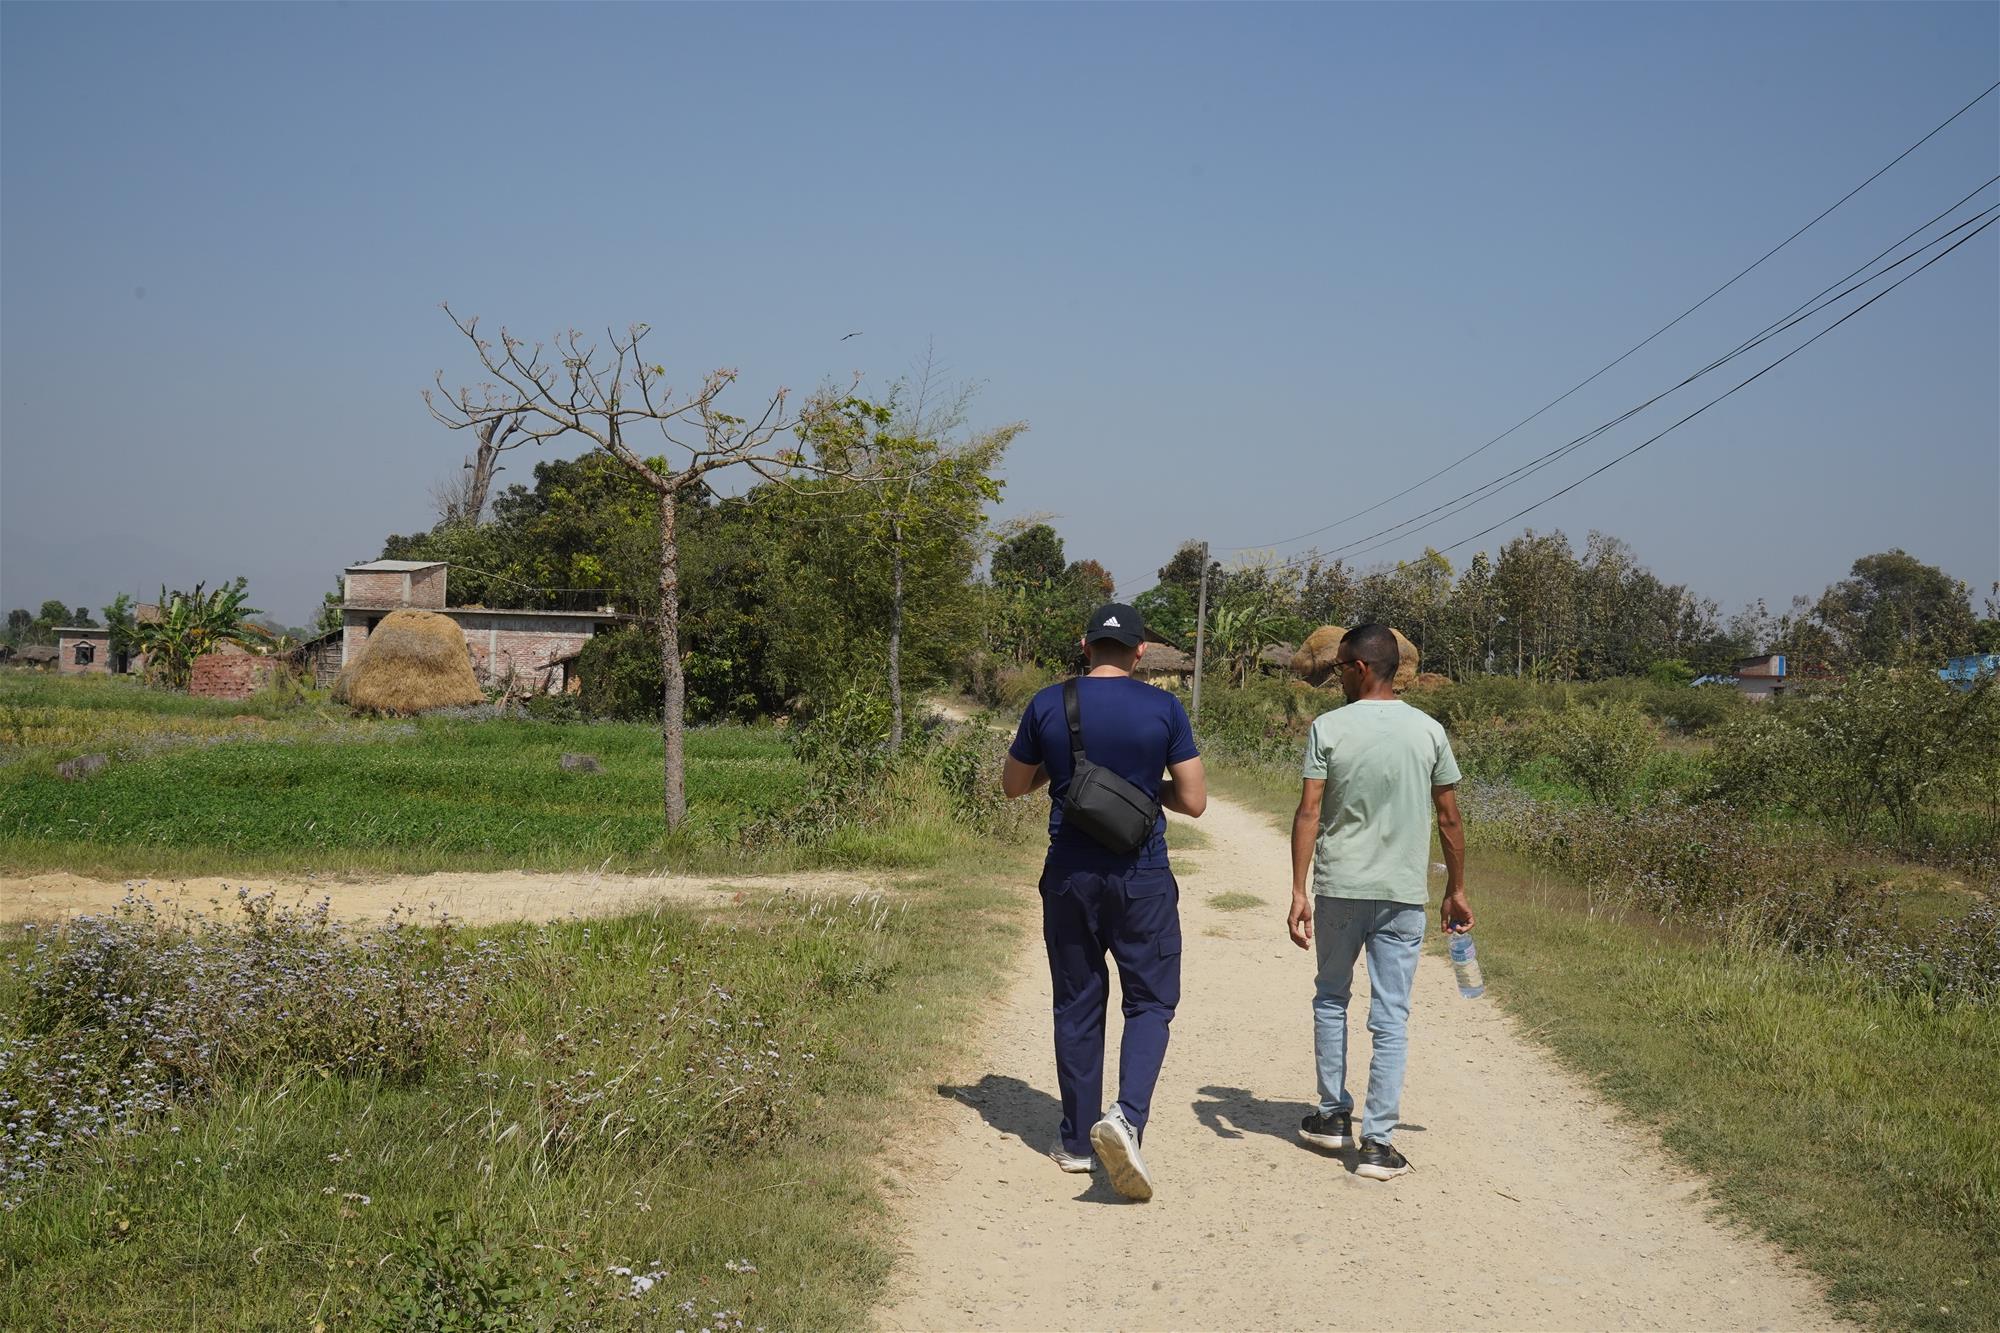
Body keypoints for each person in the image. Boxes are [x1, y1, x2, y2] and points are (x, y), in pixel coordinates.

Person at [1002, 603, 1207, 1201]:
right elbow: (1194, 801)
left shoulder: (1049, 702)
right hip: (1141, 877)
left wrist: (1068, 779)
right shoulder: (1164, 708)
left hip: (1069, 876)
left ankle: (1073, 1141)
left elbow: (1014, 785)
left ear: (1085, 646)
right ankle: (1126, 1120)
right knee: (1148, 1002)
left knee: (1077, 1003)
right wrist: (1141, 790)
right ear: (1141, 651)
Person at [1286, 623, 1470, 1181]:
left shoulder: (1329, 728)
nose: (1336, 674)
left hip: (1340, 888)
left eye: (1341, 666)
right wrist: (1455, 890)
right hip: (1402, 895)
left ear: (1362, 668)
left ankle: (1333, 1114)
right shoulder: (1429, 731)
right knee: (1391, 1017)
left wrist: (1298, 889)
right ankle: (1378, 1143)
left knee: (1330, 998)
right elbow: (1449, 817)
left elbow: (1310, 812)